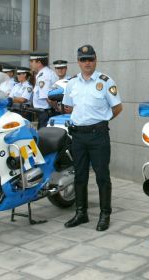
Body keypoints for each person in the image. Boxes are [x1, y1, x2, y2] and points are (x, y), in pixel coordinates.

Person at [62, 44, 122, 231]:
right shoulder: (71, 83)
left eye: (91, 59)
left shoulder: (105, 82)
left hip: (98, 136)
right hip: (78, 136)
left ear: (96, 60)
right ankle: (81, 213)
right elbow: (68, 107)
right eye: (83, 59)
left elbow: (117, 108)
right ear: (78, 62)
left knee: (102, 176)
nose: (87, 63)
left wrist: (100, 121)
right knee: (79, 176)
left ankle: (105, 214)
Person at [29, 52, 58, 128]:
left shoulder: (44, 75)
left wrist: (56, 109)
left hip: (45, 114)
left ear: (39, 63)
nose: (30, 64)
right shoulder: (47, 73)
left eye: (32, 61)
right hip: (45, 113)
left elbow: (48, 97)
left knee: (44, 137)